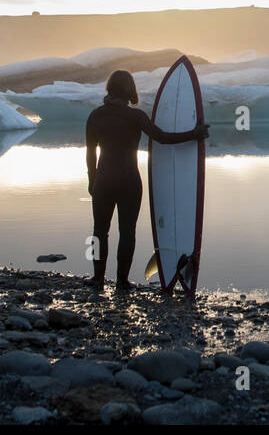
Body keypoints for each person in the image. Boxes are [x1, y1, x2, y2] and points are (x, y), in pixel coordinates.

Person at [85, 70, 208, 295]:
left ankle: (97, 279)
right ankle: (122, 281)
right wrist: (193, 134)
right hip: (129, 181)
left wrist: (92, 180)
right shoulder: (136, 116)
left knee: (98, 232)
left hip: (103, 181)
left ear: (109, 88)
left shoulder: (95, 115)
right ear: (130, 90)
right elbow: (162, 138)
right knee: (127, 232)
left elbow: (90, 153)